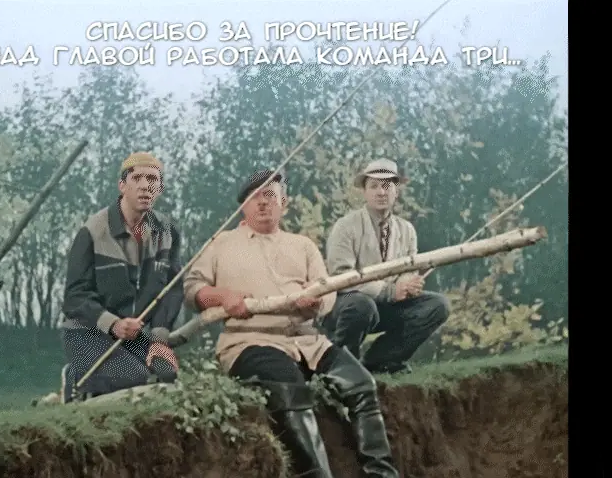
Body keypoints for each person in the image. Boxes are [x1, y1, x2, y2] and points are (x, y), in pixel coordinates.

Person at [183, 170, 399, 478]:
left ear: (284, 203)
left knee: (361, 383)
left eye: (270, 196)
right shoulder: (221, 244)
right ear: (243, 206)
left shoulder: (302, 245)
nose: (262, 203)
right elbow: (192, 290)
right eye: (254, 197)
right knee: (290, 389)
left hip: (308, 341)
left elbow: (326, 290)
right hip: (250, 341)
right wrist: (223, 296)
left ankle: (381, 473)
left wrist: (314, 302)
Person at [59, 152, 183, 403]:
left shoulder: (167, 232)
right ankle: (75, 375)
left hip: (133, 335)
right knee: (134, 378)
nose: (145, 186)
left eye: (152, 179)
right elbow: (74, 297)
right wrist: (113, 323)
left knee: (167, 376)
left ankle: (96, 383)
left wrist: (159, 339)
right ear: (122, 185)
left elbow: (172, 289)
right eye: (137, 178)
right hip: (88, 331)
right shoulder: (93, 230)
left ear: (160, 189)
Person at [324, 158, 450, 375]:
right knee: (361, 305)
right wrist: (390, 291)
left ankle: (381, 361)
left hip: (387, 307)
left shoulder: (407, 230)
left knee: (438, 305)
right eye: (374, 186)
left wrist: (409, 285)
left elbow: (409, 269)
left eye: (387, 186)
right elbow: (341, 277)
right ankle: (342, 367)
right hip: (348, 306)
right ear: (364, 192)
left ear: (396, 192)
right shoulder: (345, 227)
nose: (381, 192)